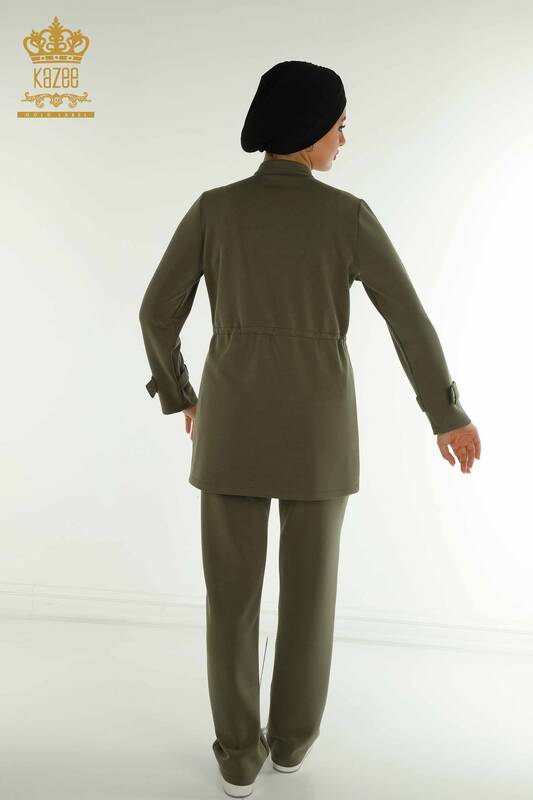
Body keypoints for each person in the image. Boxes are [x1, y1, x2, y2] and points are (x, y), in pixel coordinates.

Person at [138, 60, 481, 798]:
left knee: (230, 600)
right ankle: (290, 743)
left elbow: (156, 312)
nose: (343, 139)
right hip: (319, 432)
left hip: (230, 423)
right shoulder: (347, 216)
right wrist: (444, 413)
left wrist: (181, 394)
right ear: (308, 128)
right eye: (339, 125)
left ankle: (238, 756)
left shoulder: (214, 210)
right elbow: (407, 318)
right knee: (309, 596)